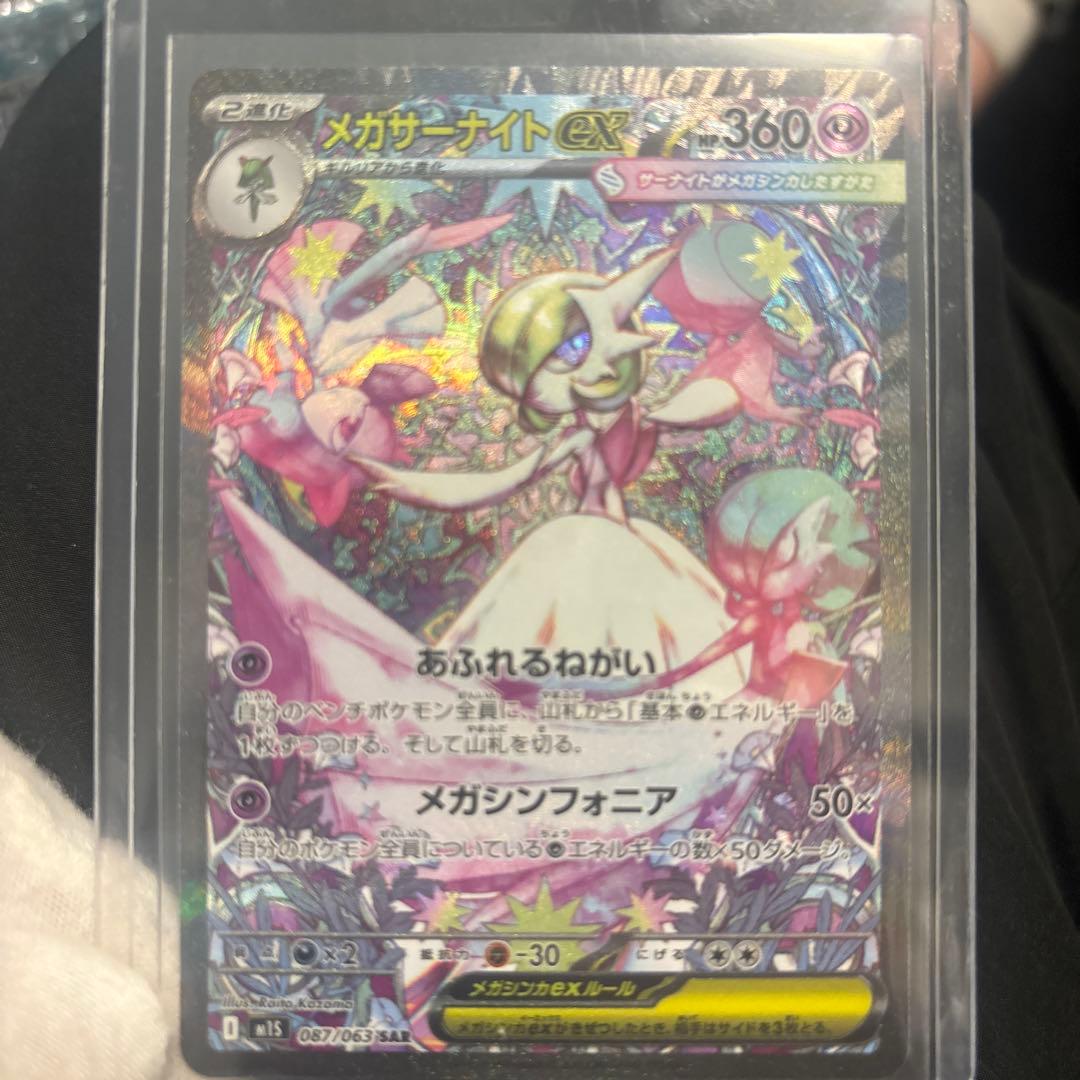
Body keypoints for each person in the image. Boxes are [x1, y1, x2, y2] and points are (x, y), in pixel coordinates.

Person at [2, 18, 1080, 1080]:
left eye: (611, 330)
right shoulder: (567, 440)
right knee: (546, 651)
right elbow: (491, 485)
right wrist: (389, 477)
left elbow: (701, 396)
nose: (611, 352)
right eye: (576, 347)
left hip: (633, 570)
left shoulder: (646, 400)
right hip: (583, 563)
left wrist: (763, 379)